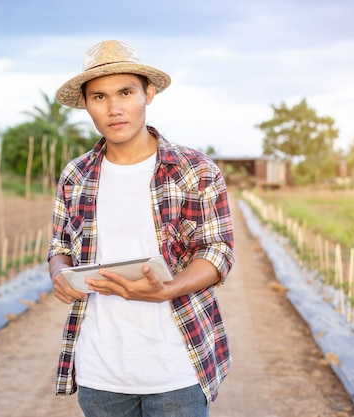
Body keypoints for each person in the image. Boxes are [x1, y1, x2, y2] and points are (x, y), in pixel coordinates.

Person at [47, 40, 235, 417]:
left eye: (126, 92)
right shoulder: (76, 175)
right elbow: (59, 246)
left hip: (175, 370)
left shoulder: (194, 169)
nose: (114, 109)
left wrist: (168, 289)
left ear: (148, 93)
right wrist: (60, 274)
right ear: (86, 104)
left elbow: (217, 251)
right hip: (100, 373)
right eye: (99, 96)